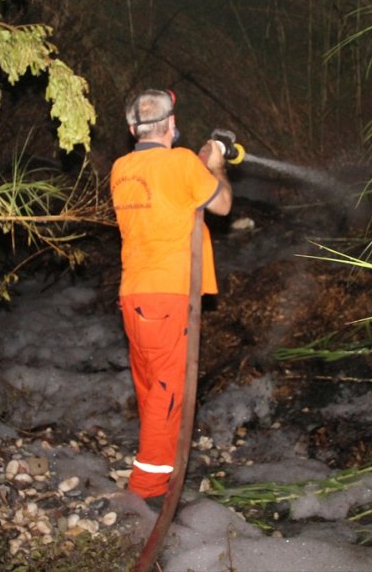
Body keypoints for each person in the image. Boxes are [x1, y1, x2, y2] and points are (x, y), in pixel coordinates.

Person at [110, 89, 233, 503]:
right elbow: (222, 205)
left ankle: (155, 472)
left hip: (133, 296)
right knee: (169, 393)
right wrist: (215, 163)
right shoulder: (182, 164)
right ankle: (146, 492)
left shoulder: (121, 169)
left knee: (150, 389)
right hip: (169, 297)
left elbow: (172, 188)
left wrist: (199, 160)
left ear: (132, 129)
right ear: (172, 124)